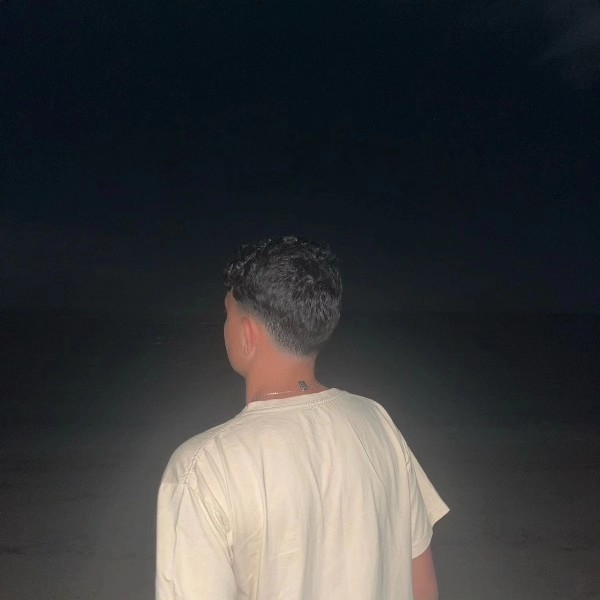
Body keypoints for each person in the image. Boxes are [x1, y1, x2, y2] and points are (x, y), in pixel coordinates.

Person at [156, 235, 449, 600]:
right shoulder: (377, 422)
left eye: (227, 314)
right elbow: (423, 586)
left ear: (247, 334)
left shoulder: (202, 467)